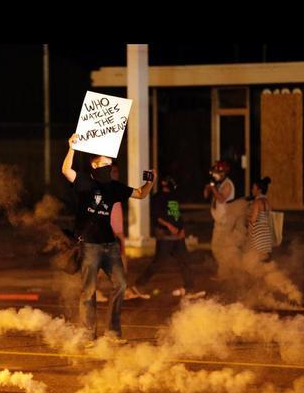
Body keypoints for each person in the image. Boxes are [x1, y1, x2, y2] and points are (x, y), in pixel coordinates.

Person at [61, 134, 156, 341]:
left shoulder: (114, 187)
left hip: (110, 245)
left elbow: (140, 193)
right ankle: (88, 334)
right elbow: (66, 170)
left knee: (121, 284)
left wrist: (150, 182)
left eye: (111, 163)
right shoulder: (85, 182)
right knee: (89, 290)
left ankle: (112, 332)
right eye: (105, 163)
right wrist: (72, 148)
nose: (109, 166)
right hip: (89, 245)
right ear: (94, 165)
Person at [135, 176, 205, 299]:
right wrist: (169, 226)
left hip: (178, 236)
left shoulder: (174, 196)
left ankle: (190, 288)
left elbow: (178, 214)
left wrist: (182, 229)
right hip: (165, 236)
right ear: (164, 183)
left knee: (184, 260)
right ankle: (138, 285)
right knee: (159, 262)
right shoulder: (158, 197)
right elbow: (157, 216)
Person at [96, 162, 149, 301]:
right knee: (102, 265)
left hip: (118, 234)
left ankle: (123, 291)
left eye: (117, 171)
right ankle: (94, 291)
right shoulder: (103, 190)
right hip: (109, 234)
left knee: (122, 264)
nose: (116, 174)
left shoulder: (117, 189)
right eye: (113, 171)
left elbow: (140, 194)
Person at [203, 159, 240, 278]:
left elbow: (221, 199)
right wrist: (208, 189)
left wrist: (213, 188)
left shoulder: (227, 184)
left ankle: (227, 274)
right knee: (219, 248)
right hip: (219, 221)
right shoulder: (219, 184)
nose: (214, 175)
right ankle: (228, 273)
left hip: (225, 221)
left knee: (220, 248)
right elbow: (206, 196)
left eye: (216, 172)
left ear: (223, 173)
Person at [246, 176, 273, 260]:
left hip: (258, 234)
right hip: (267, 234)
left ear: (259, 190)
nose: (252, 190)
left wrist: (246, 216)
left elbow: (253, 220)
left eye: (253, 188)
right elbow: (269, 217)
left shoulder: (256, 202)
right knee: (265, 258)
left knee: (256, 259)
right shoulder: (268, 202)